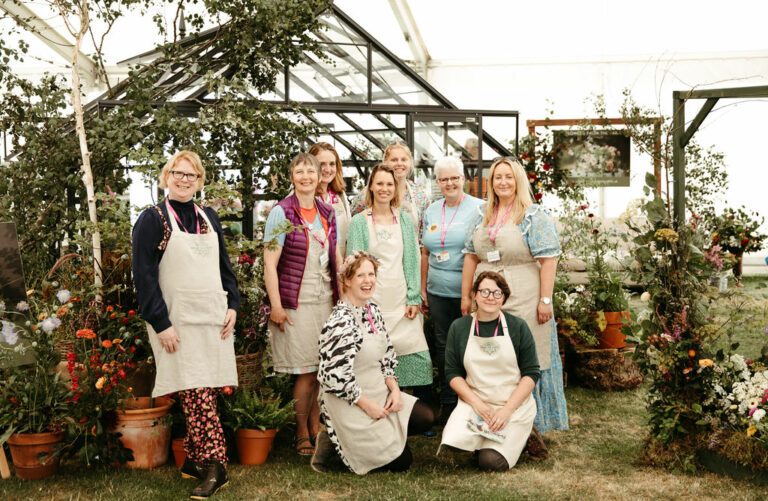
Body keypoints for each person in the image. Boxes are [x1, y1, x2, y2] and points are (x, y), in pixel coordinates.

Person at [132, 150, 239, 499]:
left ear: (200, 181)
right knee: (195, 388)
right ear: (166, 177)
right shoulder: (152, 220)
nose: (183, 180)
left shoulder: (208, 216)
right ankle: (216, 465)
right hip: (174, 320)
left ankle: (195, 460)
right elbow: (144, 278)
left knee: (204, 387)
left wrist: (233, 305)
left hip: (212, 317)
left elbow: (225, 267)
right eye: (177, 173)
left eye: (191, 176)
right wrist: (161, 323)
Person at [461, 157, 568, 438]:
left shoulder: (533, 215)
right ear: (491, 183)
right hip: (485, 298)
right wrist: (465, 298)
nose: (503, 182)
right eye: (497, 177)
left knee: (526, 356)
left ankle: (532, 426)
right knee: (492, 355)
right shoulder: (480, 214)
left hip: (524, 296)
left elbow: (548, 260)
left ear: (518, 180)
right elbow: (470, 258)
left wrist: (545, 301)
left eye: (508, 177)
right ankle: (489, 419)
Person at [312, 251, 434, 474]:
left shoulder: (373, 311)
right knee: (402, 461)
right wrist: (367, 405)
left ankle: (379, 438)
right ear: (347, 280)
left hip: (379, 390)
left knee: (426, 417)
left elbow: (387, 355)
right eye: (360, 275)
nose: (368, 281)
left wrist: (395, 390)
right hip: (350, 400)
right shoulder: (340, 321)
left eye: (371, 274)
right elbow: (333, 379)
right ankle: (336, 445)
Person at [263, 152, 340, 456]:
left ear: (321, 175)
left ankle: (316, 425)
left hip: (326, 299)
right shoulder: (280, 213)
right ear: (292, 176)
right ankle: (301, 431)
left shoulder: (327, 212)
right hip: (296, 301)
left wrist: (342, 298)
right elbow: (270, 264)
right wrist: (276, 306)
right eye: (300, 172)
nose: (306, 177)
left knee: (322, 368)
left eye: (312, 171)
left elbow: (334, 257)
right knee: (306, 371)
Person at [346, 164, 432, 395]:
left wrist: (414, 297)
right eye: (380, 183)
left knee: (412, 356)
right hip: (373, 302)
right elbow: (354, 268)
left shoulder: (404, 220)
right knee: (374, 358)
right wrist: (361, 304)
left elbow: (412, 259)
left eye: (389, 184)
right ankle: (379, 407)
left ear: (396, 189)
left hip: (402, 300)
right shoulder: (359, 222)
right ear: (371, 187)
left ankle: (407, 411)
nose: (384, 188)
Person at [440, 272, 539, 471]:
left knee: (490, 462)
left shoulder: (517, 326)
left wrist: (506, 410)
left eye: (497, 293)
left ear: (504, 297)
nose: (490, 297)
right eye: (485, 291)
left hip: (512, 405)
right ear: (475, 295)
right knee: (454, 442)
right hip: (477, 403)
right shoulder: (459, 327)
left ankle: (526, 436)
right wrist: (478, 405)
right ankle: (487, 438)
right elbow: (452, 373)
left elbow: (531, 373)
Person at [420, 156, 483, 423]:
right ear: (438, 182)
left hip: (468, 293)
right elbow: (425, 253)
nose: (449, 183)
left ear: (463, 179)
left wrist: (469, 294)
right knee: (444, 346)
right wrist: (423, 289)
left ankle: (474, 400)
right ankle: (448, 401)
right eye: (444, 179)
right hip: (438, 292)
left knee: (472, 345)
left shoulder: (481, 208)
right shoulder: (432, 210)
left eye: (454, 178)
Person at [350, 142, 429, 235]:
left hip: (412, 248)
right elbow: (353, 224)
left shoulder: (419, 195)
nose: (399, 163)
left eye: (404, 159)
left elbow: (424, 231)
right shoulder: (368, 193)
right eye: (394, 160)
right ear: (385, 163)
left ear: (410, 162)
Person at [309, 142, 351, 255]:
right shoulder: (302, 195)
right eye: (322, 164)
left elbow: (348, 235)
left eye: (332, 164)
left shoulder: (340, 196)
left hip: (339, 266)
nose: (328, 170)